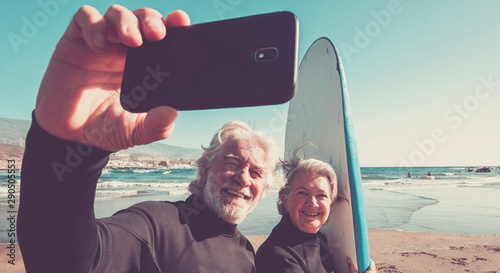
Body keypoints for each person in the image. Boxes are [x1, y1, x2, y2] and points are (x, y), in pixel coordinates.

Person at [18, 5, 282, 273]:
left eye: (257, 172)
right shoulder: (158, 226)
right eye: (233, 162)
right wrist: (69, 147)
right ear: (204, 171)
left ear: (265, 189)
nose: (244, 178)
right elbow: (65, 263)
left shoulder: (247, 253)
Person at [255, 158, 376, 273]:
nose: (312, 203)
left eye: (321, 195)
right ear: (285, 200)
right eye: (302, 193)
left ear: (331, 203)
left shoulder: (321, 239)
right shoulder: (275, 255)